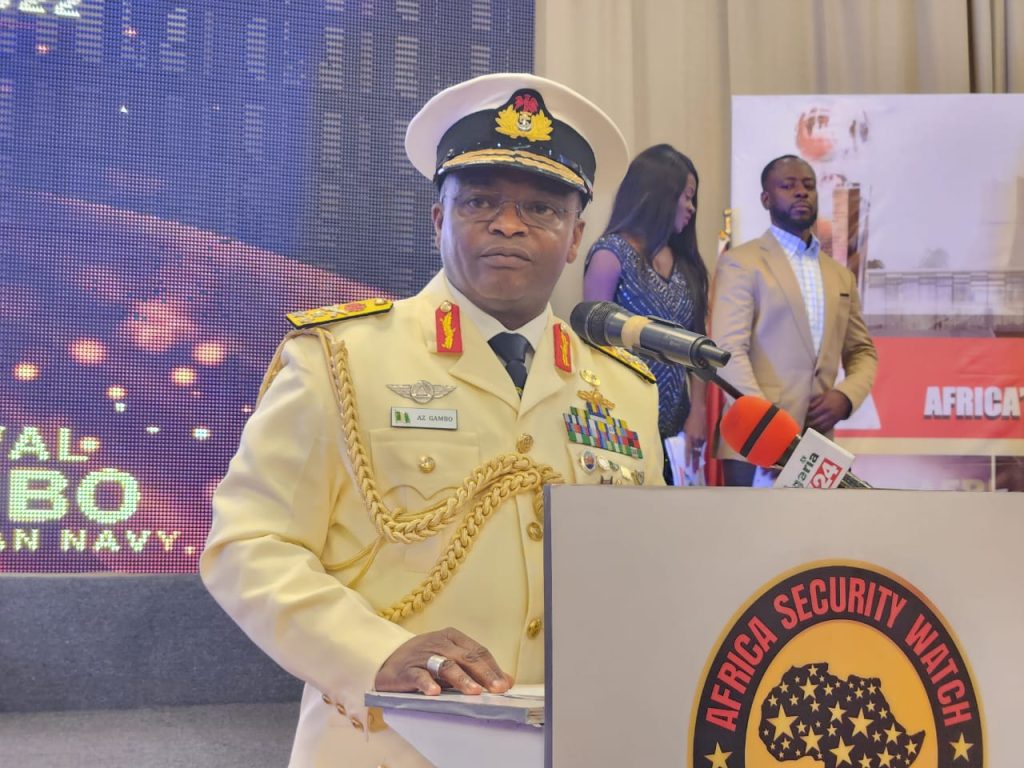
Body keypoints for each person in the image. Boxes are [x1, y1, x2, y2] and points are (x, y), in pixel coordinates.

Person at [199, 73, 664, 767]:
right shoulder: (343, 358)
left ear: (575, 237)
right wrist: (374, 654)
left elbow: (645, 573)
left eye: (541, 208)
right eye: (480, 201)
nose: (509, 224)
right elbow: (248, 543)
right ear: (439, 219)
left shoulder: (625, 389)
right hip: (390, 746)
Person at [709, 154, 878, 486]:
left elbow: (862, 352)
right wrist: (768, 431)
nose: (801, 192)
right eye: (788, 186)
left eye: (808, 185)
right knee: (748, 524)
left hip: (817, 446)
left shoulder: (840, 275)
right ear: (766, 199)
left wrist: (846, 397)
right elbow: (727, 350)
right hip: (753, 445)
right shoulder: (741, 263)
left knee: (812, 524)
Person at [582, 144, 710, 483]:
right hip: (622, 419)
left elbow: (699, 343)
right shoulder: (611, 255)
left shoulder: (685, 262)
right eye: (687, 196)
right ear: (660, 194)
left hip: (676, 424)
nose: (692, 207)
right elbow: (592, 347)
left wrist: (698, 411)